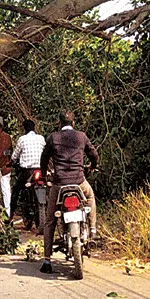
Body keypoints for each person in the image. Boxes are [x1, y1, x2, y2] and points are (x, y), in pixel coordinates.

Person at [39, 110, 99, 273]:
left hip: (59, 184)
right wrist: (92, 166)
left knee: (50, 220)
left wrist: (44, 175)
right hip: (79, 182)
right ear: (73, 123)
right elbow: (93, 154)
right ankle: (93, 229)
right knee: (91, 197)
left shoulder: (53, 137)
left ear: (59, 124)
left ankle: (47, 261)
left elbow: (44, 159)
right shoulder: (81, 136)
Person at [9, 118, 46, 232]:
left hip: (27, 172)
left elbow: (15, 156)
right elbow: (46, 151)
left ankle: (10, 215)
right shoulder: (41, 138)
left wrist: (11, 161)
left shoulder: (22, 139)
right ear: (34, 128)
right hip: (40, 170)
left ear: (24, 129)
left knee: (15, 190)